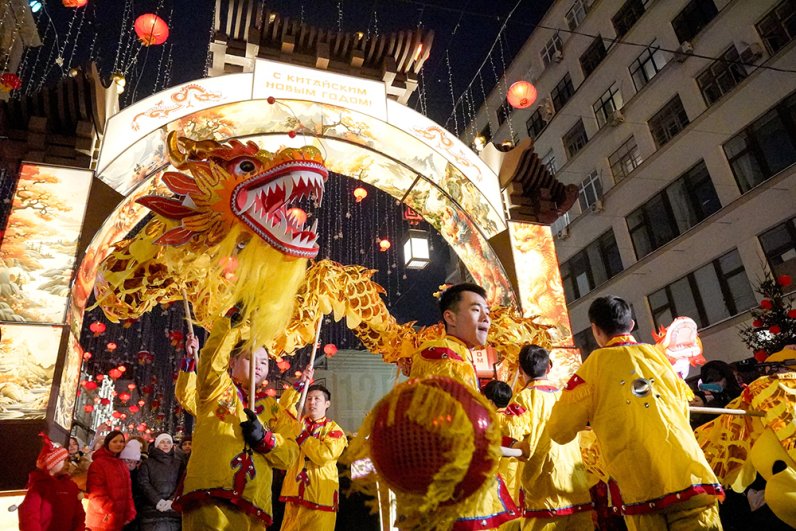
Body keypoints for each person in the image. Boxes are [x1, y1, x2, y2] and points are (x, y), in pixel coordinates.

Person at [548, 295, 723, 531]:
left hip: (641, 492)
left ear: (595, 330)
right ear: (631, 325)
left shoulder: (590, 371)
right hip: (690, 477)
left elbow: (559, 431)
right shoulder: (660, 359)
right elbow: (682, 411)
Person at [408, 282, 519, 529]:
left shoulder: (458, 356)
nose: (487, 318)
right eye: (476, 310)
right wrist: (513, 449)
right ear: (450, 317)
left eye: (487, 312)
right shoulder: (445, 357)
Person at [174, 317, 300, 530]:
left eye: (263, 362)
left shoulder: (275, 409)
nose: (258, 366)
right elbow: (212, 364)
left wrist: (265, 439)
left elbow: (289, 455)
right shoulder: (216, 389)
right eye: (250, 359)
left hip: (254, 506)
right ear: (231, 362)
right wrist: (231, 324)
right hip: (210, 497)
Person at [514, 345, 593, 530]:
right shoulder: (566, 397)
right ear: (549, 366)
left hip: (542, 497)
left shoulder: (522, 400)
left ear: (520, 370)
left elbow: (508, 435)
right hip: (576, 491)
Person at [279, 384, 347, 531]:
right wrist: (300, 384)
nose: (312, 402)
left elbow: (324, 456)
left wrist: (303, 436)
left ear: (327, 404)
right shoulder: (296, 423)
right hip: (294, 496)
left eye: (317, 399)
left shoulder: (334, 430)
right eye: (309, 398)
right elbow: (284, 405)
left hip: (320, 499)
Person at [18, 433, 85, 531]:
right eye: (64, 460)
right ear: (51, 464)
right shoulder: (39, 486)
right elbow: (29, 516)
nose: (68, 464)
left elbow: (78, 514)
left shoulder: (71, 486)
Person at [86, 430, 137, 531]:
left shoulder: (121, 465)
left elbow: (128, 492)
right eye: (115, 441)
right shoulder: (98, 464)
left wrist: (129, 511)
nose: (119, 444)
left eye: (122, 441)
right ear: (107, 443)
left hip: (117, 520)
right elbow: (96, 494)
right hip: (102, 519)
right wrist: (111, 510)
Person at [137, 433, 184, 531]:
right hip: (151, 511)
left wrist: (172, 501)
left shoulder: (179, 464)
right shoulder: (147, 463)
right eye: (162, 442)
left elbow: (181, 483)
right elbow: (143, 483)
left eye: (168, 442)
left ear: (172, 445)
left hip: (173, 511)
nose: (166, 444)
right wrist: (158, 501)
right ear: (157, 445)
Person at [120, 439, 143, 531]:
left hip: (132, 515)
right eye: (128, 460)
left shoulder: (138, 475)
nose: (131, 464)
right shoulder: (116, 473)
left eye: (134, 461)